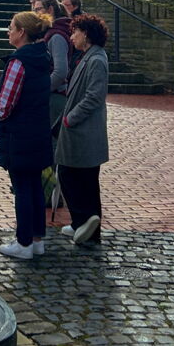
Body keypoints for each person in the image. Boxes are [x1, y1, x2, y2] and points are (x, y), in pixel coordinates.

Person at [0, 10, 54, 260]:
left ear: (21, 32)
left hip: (20, 131)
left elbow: (6, 103)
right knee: (35, 186)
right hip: (38, 128)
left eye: (11, 27)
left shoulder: (19, 61)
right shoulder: (42, 58)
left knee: (22, 188)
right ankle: (37, 238)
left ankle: (23, 242)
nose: (8, 32)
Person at [57, 13, 110, 246]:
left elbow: (94, 96)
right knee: (75, 176)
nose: (72, 37)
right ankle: (81, 223)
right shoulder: (88, 57)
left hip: (84, 131)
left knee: (81, 178)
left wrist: (71, 118)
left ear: (86, 34)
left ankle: (89, 226)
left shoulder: (96, 59)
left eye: (75, 32)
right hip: (79, 130)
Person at [33, 0, 73, 124]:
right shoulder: (51, 32)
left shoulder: (56, 36)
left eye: (38, 9)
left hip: (54, 96)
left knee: (52, 141)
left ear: (50, 10)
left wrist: (42, 90)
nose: (35, 14)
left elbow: (60, 71)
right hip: (51, 94)